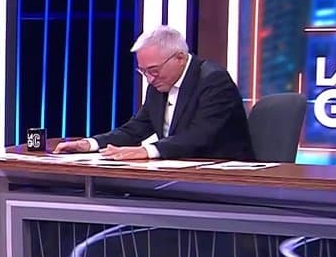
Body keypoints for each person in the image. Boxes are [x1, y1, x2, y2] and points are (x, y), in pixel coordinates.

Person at [53, 25, 254, 160]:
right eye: (143, 72)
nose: (149, 79)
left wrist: (147, 150)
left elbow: (200, 135)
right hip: (176, 176)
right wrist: (90, 144)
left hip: (225, 179)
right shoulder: (159, 84)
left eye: (154, 70)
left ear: (180, 58)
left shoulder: (213, 80)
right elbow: (135, 129)